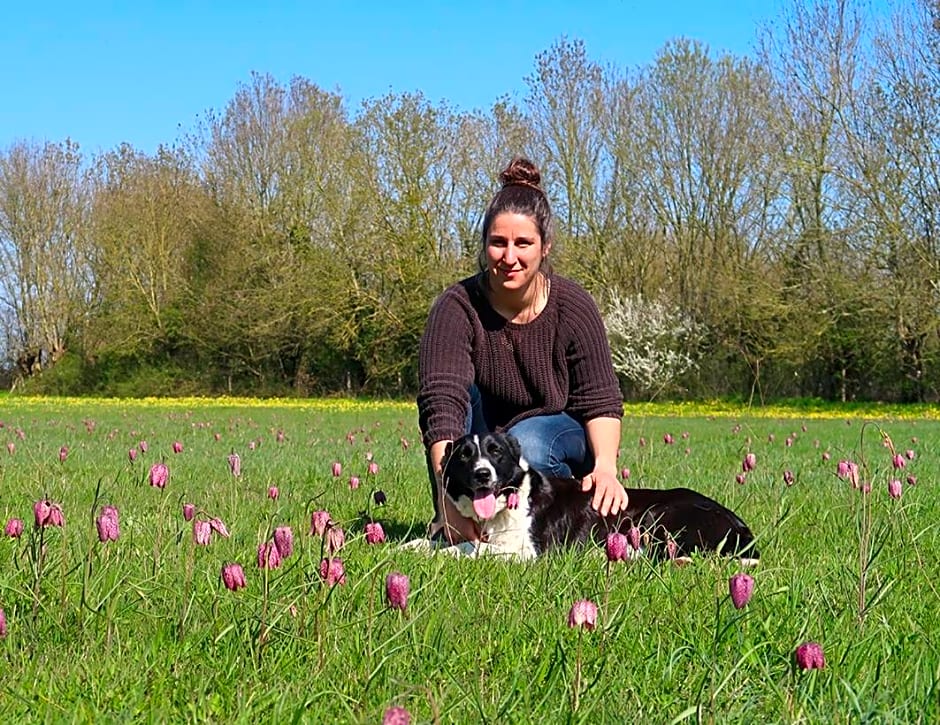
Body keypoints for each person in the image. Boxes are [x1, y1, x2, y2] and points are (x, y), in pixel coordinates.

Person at [417, 156, 627, 544]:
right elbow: (442, 405)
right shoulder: (456, 307)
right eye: (498, 243)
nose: (509, 257)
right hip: (482, 444)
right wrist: (447, 501)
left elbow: (601, 400)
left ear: (544, 247)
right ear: (484, 245)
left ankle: (528, 532)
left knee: (527, 442)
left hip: (555, 431)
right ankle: (465, 517)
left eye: (523, 243)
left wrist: (607, 468)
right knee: (461, 403)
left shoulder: (573, 306)